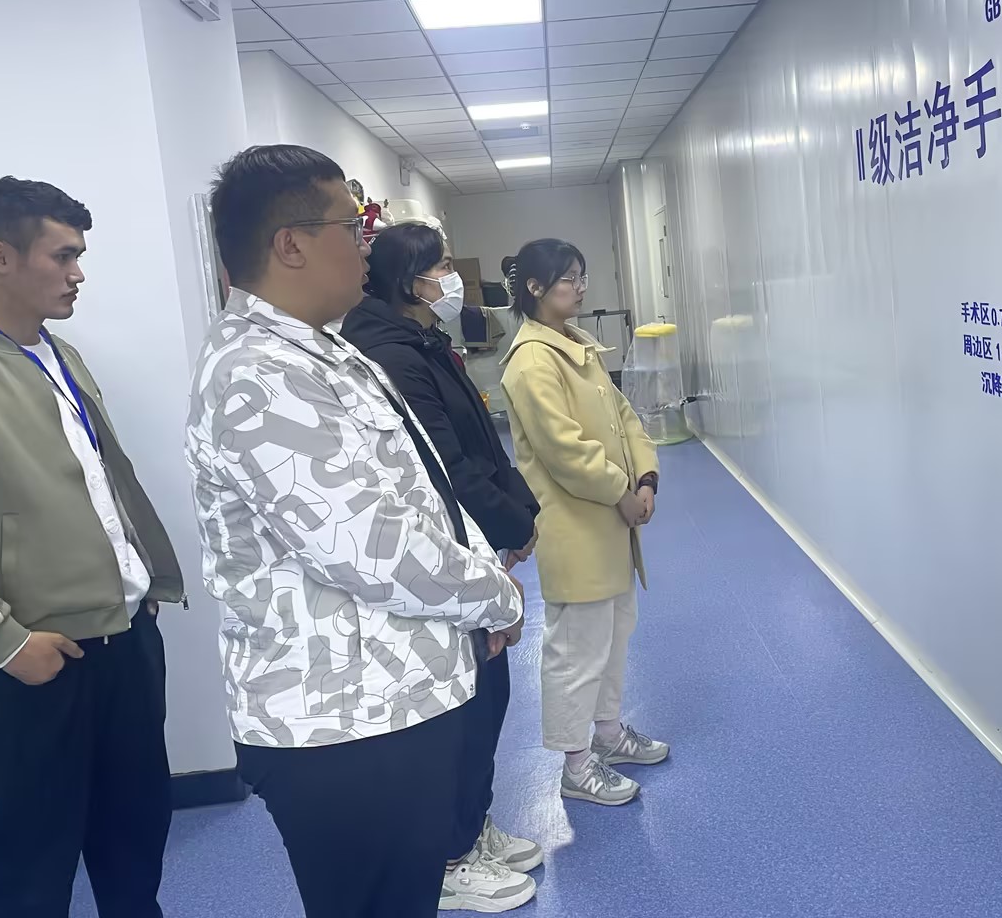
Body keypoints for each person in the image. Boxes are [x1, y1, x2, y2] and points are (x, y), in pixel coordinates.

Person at [184, 145, 529, 918]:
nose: (366, 247)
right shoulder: (258, 374)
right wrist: (495, 597)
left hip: (389, 705)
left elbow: (421, 489)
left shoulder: (323, 349)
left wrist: (479, 576)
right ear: (291, 244)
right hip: (340, 728)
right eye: (353, 227)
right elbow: (374, 549)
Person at [0, 177, 183, 918]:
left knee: (134, 841)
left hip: (125, 642)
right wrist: (4, 642)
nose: (78, 273)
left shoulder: (62, 356)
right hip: (38, 660)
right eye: (62, 256)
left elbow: (96, 486)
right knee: (26, 866)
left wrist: (142, 588)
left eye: (78, 256)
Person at [341, 222, 542, 910]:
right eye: (443, 265)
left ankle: (470, 827)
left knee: (491, 696)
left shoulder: (425, 340)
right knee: (468, 706)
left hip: (478, 538)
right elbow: (445, 466)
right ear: (410, 279)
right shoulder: (389, 354)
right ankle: (451, 857)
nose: (453, 278)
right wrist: (507, 523)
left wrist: (518, 509)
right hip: (450, 549)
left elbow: (479, 438)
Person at [499, 239, 668, 807]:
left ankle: (609, 735)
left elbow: (625, 418)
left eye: (581, 276)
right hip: (578, 528)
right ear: (535, 287)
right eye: (568, 278)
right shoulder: (531, 361)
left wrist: (646, 479)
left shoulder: (578, 345)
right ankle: (576, 765)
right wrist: (621, 493)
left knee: (613, 636)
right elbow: (565, 451)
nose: (580, 287)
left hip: (614, 525)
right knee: (576, 650)